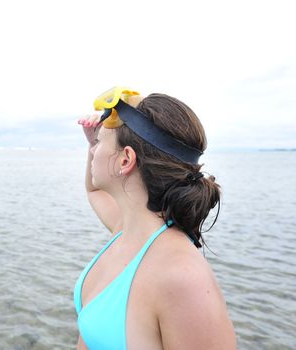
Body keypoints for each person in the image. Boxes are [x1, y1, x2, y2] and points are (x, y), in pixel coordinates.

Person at [73, 87, 236, 350]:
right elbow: (94, 191)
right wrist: (95, 145)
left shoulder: (183, 278)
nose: (94, 151)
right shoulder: (126, 230)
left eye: (100, 142)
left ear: (126, 159)